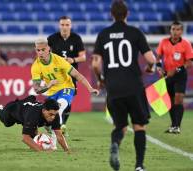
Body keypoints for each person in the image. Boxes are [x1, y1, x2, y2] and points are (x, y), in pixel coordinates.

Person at [92, 1, 156, 171]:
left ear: (111, 14)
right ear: (127, 14)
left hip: (113, 88)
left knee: (120, 126)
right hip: (133, 86)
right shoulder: (135, 33)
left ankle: (115, 144)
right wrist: (149, 69)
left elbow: (96, 64)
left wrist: (101, 79)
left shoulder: (103, 34)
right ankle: (139, 166)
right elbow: (151, 59)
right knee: (139, 126)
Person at [31, 38, 99, 146]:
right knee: (46, 120)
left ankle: (53, 144)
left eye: (43, 50)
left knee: (59, 108)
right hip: (52, 93)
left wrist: (90, 88)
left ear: (48, 49)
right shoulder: (35, 66)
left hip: (66, 87)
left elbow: (77, 75)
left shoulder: (59, 60)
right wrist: (48, 85)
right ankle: (50, 129)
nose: (40, 53)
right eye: (38, 50)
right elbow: (37, 89)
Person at [47, 16, 86, 131]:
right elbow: (45, 54)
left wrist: (73, 60)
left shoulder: (76, 38)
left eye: (67, 25)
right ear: (59, 26)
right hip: (55, 74)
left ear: (70, 26)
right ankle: (51, 121)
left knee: (68, 99)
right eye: (62, 25)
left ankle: (62, 123)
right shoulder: (52, 38)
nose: (64, 27)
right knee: (54, 98)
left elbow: (83, 57)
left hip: (71, 74)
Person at [156, 21, 193, 134]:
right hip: (167, 75)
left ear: (181, 31)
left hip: (180, 75)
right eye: (173, 29)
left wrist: (176, 70)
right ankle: (173, 125)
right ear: (170, 30)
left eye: (178, 30)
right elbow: (158, 57)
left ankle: (177, 126)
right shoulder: (164, 42)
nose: (175, 32)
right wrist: (159, 68)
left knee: (178, 98)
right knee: (170, 101)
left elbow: (190, 62)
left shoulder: (186, 44)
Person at [0, 95, 70, 152]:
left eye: (54, 114)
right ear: (44, 110)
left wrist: (67, 150)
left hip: (26, 114)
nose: (53, 117)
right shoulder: (33, 115)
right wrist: (42, 151)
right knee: (7, 123)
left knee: (33, 135)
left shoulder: (54, 115)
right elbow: (25, 138)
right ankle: (0, 109)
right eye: (50, 114)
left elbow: (59, 136)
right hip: (12, 110)